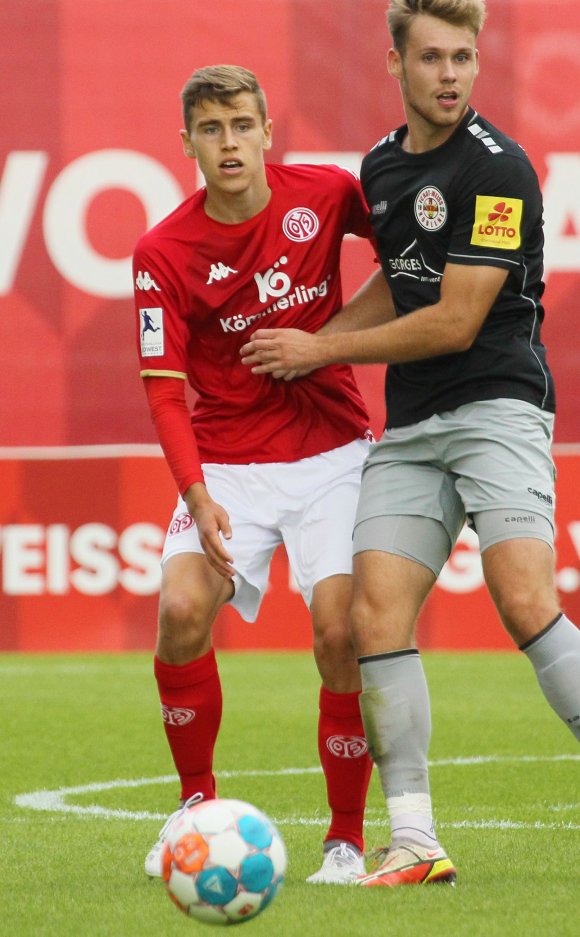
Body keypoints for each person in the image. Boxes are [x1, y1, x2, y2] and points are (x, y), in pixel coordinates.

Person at [240, 0, 580, 888]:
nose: (451, 75)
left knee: (522, 600)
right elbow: (401, 286)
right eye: (431, 58)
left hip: (499, 405)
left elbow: (459, 319)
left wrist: (324, 350)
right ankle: (416, 839)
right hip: (412, 426)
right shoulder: (383, 168)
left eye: (463, 58)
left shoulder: (500, 170)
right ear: (394, 62)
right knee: (371, 615)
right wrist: (303, 351)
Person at [132, 64, 377, 885]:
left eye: (242, 124)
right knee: (179, 609)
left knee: (343, 634)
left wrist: (336, 335)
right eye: (211, 129)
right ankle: (195, 803)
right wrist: (196, 496)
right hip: (228, 462)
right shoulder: (161, 250)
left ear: (268, 130)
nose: (229, 142)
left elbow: (411, 263)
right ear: (189, 143)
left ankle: (345, 838)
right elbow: (165, 394)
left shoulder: (330, 194)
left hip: (334, 452)